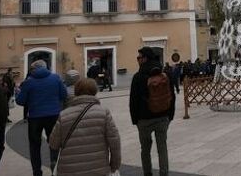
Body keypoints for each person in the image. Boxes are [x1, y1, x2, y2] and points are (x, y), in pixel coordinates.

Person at [49, 78, 121, 176]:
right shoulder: (104, 113)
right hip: (98, 169)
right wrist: (114, 165)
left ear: (76, 92)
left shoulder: (64, 115)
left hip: (69, 170)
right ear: (95, 91)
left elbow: (53, 144)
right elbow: (115, 142)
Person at [16, 59, 67, 176]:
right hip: (53, 115)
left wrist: (19, 92)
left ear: (33, 69)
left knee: (34, 145)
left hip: (35, 117)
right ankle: (55, 167)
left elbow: (20, 101)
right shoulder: (56, 78)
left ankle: (37, 172)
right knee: (54, 142)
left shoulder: (29, 82)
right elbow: (64, 95)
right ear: (46, 67)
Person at [130, 46, 176, 176]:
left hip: (144, 120)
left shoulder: (138, 77)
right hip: (163, 117)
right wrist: (170, 115)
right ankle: (164, 173)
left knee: (145, 149)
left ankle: (148, 173)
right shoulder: (164, 75)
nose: (137, 60)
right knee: (162, 148)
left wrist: (135, 120)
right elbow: (172, 96)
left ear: (145, 59)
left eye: (139, 57)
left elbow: (133, 101)